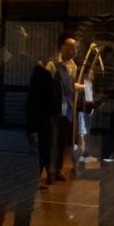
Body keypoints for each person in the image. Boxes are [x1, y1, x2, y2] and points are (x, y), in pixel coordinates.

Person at [25, 36, 77, 186]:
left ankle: (59, 168)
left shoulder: (73, 66)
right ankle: (50, 170)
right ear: (62, 47)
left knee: (62, 140)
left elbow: (72, 86)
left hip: (67, 108)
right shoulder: (52, 64)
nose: (73, 51)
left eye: (74, 48)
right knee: (51, 140)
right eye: (70, 47)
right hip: (53, 108)